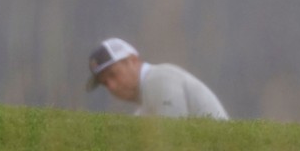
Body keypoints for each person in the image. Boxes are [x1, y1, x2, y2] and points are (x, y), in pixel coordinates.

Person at [85, 38, 229, 120]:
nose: (111, 86)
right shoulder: (145, 104)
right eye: (104, 83)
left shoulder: (159, 79)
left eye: (113, 74)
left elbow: (174, 134)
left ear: (133, 60)